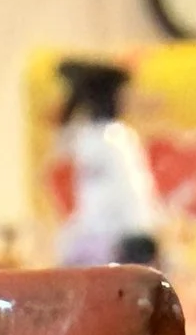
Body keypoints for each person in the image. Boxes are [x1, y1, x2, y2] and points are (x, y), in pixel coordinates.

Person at [47, 59, 164, 265]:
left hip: (119, 237)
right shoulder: (102, 137)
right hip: (111, 234)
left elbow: (125, 194)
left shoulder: (109, 138)